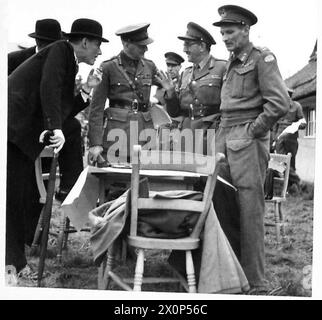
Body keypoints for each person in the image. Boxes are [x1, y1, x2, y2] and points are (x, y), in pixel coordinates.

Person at [7, 18, 107, 276]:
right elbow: (48, 88)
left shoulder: (67, 60)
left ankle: (69, 191)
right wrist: (55, 128)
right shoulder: (61, 50)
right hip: (12, 129)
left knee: (15, 197)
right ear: (84, 42)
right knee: (12, 199)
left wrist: (86, 90)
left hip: (20, 134)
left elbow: (62, 110)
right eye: (97, 44)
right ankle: (13, 264)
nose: (99, 51)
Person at [212, 5, 289, 293]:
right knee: (221, 204)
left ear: (246, 30)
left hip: (247, 139)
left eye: (230, 32)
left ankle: (254, 280)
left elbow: (279, 103)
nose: (225, 37)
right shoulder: (231, 62)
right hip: (224, 137)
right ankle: (229, 275)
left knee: (249, 208)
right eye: (222, 33)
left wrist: (254, 131)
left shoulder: (262, 59)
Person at [88, 23, 164, 164]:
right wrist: (95, 143)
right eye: (141, 45)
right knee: (114, 180)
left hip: (144, 135)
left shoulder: (150, 66)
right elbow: (96, 108)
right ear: (127, 43)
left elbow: (166, 88)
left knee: (144, 181)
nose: (145, 48)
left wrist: (170, 92)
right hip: (117, 134)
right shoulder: (108, 67)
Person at [160, 22, 226, 154]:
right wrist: (171, 93)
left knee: (209, 173)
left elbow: (228, 107)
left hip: (211, 135)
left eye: (188, 45)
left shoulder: (222, 68)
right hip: (186, 134)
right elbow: (175, 113)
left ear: (202, 46)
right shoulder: (186, 73)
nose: (184, 50)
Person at [272, 88, 306, 189]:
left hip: (289, 136)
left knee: (289, 161)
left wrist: (294, 126)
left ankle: (292, 185)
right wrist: (274, 138)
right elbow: (274, 124)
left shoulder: (295, 106)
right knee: (284, 161)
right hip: (283, 137)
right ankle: (295, 183)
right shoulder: (281, 106)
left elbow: (303, 123)